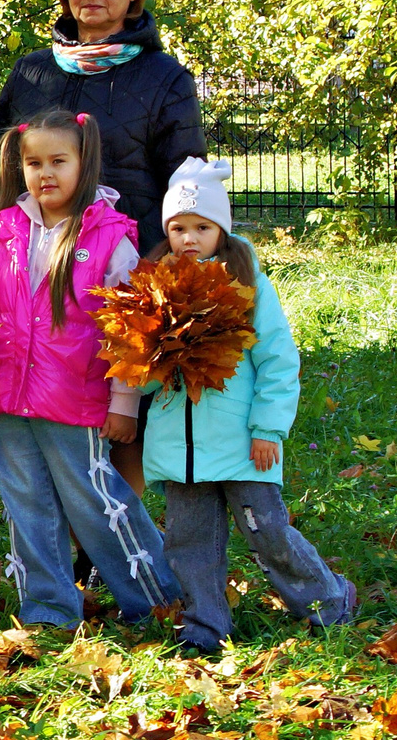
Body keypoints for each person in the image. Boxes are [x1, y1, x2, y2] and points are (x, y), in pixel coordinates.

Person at [0, 113, 182, 629]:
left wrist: (124, 402)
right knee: (27, 507)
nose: (45, 174)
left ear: (83, 163)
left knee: (96, 503)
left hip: (75, 400)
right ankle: (49, 608)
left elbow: (130, 328)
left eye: (58, 161)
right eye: (33, 163)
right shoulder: (5, 232)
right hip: (10, 399)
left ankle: (155, 598)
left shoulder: (108, 235)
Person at [141, 159, 356, 654]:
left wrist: (267, 428)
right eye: (178, 228)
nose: (189, 238)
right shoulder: (153, 290)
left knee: (268, 532)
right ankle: (204, 627)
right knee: (189, 544)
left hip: (243, 444)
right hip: (183, 451)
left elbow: (279, 361)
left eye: (201, 226)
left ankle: (328, 600)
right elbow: (145, 375)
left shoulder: (249, 289)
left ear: (222, 229)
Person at [0, 0, 205, 257]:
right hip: (26, 271)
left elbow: (189, 192)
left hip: (127, 275)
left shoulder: (165, 79)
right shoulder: (30, 74)